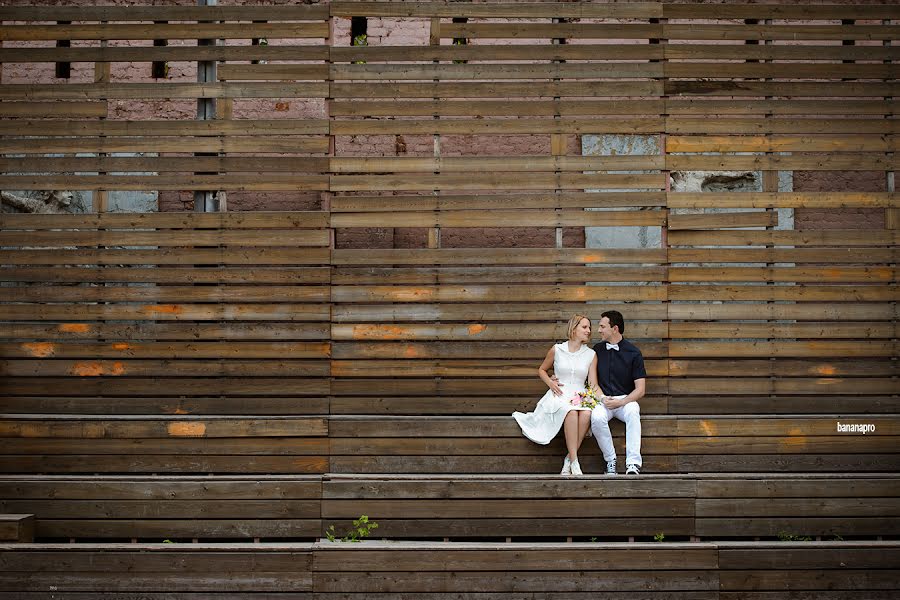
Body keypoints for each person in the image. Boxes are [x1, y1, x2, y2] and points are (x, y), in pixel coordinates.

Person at [513, 314, 600, 476]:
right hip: (560, 393)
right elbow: (541, 370)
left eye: (589, 328)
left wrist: (603, 398)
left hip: (580, 394)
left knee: (587, 413)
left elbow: (593, 384)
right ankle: (575, 462)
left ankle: (569, 459)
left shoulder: (591, 354)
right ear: (573, 329)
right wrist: (551, 383)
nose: (588, 331)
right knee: (571, 412)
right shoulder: (557, 349)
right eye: (584, 327)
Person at [591, 310, 646, 475]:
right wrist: (602, 398)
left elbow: (641, 390)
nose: (599, 330)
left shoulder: (633, 353)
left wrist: (621, 402)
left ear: (614, 328)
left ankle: (633, 464)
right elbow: (593, 383)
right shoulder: (597, 350)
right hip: (603, 399)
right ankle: (610, 461)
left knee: (633, 410)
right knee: (596, 417)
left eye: (602, 326)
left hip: (625, 400)